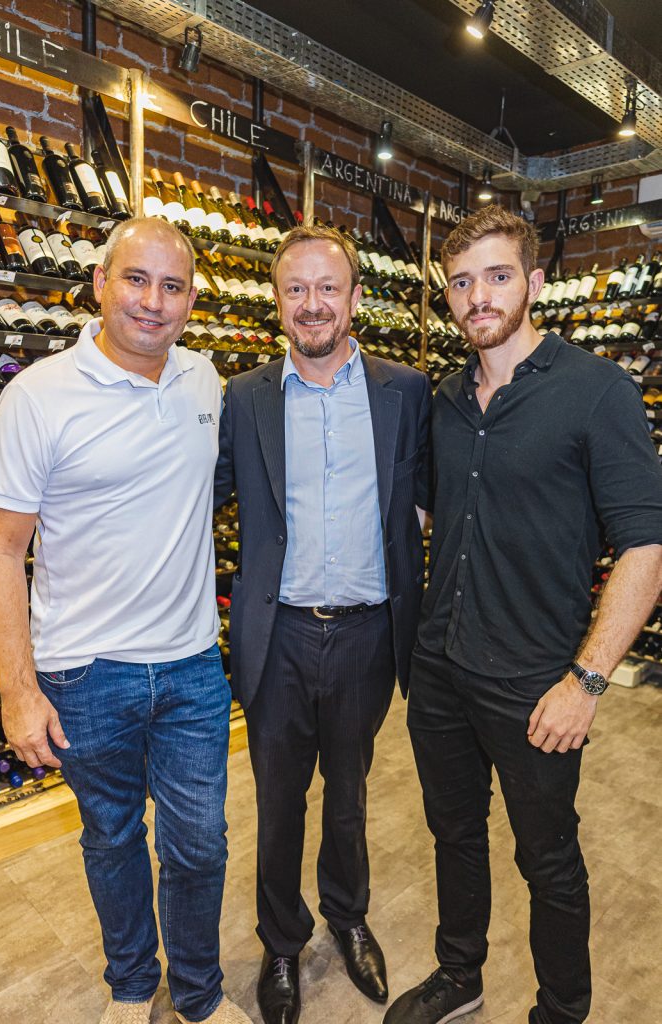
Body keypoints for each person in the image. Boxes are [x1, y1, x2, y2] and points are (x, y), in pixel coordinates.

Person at [384, 205, 662, 1024]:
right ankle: (458, 974)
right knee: (453, 833)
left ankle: (560, 1010)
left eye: (496, 276)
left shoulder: (595, 392)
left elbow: (646, 548)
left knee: (548, 860)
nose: (478, 297)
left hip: (536, 680)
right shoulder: (443, 399)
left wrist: (586, 681)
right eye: (461, 282)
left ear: (533, 283)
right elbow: (434, 515)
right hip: (440, 666)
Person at [0, 217, 251, 1024]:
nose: (152, 302)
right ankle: (131, 986)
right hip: (86, 672)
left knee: (200, 846)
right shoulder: (38, 396)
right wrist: (19, 692)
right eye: (136, 279)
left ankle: (199, 997)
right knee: (111, 839)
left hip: (194, 665)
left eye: (172, 287)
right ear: (100, 283)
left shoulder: (206, 380)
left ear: (192, 300)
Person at [215, 223, 431, 1024]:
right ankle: (280, 942)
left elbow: (434, 493)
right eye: (295, 290)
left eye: (326, 288)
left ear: (354, 297)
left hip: (370, 633)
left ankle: (347, 915)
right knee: (278, 799)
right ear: (277, 302)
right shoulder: (242, 397)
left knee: (348, 791)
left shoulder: (405, 390)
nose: (312, 305)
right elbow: (199, 502)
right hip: (280, 637)